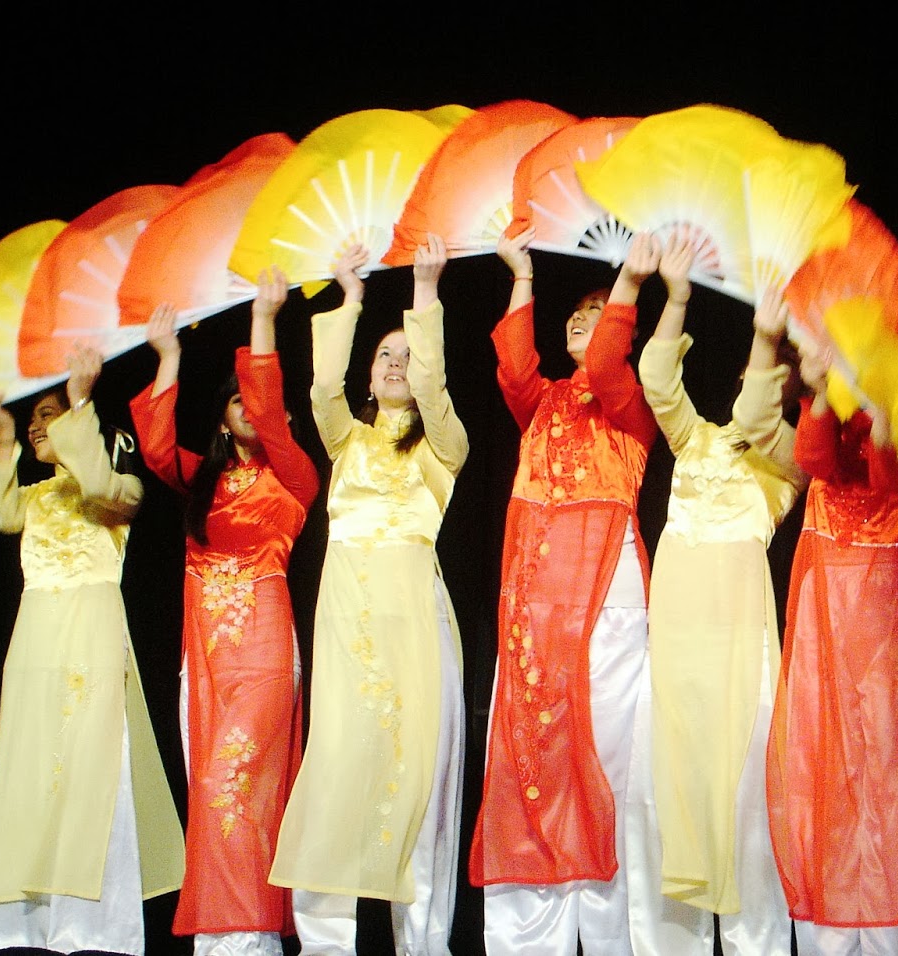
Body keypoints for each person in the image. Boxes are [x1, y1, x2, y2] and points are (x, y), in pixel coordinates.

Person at [267, 235, 468, 956]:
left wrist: (424, 291)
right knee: (338, 769)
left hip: (415, 620)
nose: (395, 364)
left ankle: (423, 941)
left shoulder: (445, 445)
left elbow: (436, 393)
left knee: (417, 780)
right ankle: (325, 942)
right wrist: (349, 298)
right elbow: (321, 390)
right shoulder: (346, 439)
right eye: (385, 355)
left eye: (405, 355)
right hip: (348, 624)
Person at [468, 225, 659, 955]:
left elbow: (608, 360)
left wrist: (632, 286)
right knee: (530, 762)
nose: (584, 318)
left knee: (604, 764)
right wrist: (519, 274)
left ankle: (609, 936)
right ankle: (529, 937)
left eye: (598, 308)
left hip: (607, 602)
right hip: (534, 607)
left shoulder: (630, 406)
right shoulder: (542, 402)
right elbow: (514, 368)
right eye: (575, 311)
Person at [127, 267, 320, 956]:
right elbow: (152, 448)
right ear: (219, 417)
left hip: (266, 651)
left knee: (233, 779)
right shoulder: (202, 480)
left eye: (259, 403)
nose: (250, 409)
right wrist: (169, 356)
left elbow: (271, 412)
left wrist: (264, 320)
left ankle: (244, 934)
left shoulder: (293, 477)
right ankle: (228, 933)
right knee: (209, 782)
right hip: (203, 658)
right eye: (234, 401)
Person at [0, 348, 184, 956]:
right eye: (33, 417)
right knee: (29, 769)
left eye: (46, 413)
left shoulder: (118, 487)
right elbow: (1, 511)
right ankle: (22, 923)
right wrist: (5, 437)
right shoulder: (36, 499)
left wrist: (82, 400)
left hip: (90, 628)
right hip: (37, 634)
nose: (38, 424)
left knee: (92, 770)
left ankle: (91, 924)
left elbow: (95, 482)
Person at [628, 229, 806, 955]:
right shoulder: (695, 438)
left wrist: (770, 337)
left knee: (744, 799)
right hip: (677, 634)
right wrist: (675, 296)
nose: (759, 388)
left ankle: (756, 942)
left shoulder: (791, 460)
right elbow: (657, 380)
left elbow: (765, 419)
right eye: (754, 372)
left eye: (779, 383)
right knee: (665, 788)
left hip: (739, 635)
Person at [765, 308, 898, 955]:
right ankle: (830, 935)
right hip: (830, 606)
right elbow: (813, 458)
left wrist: (886, 416)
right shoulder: (842, 404)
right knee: (824, 763)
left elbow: (889, 476)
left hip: (897, 610)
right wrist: (823, 391)